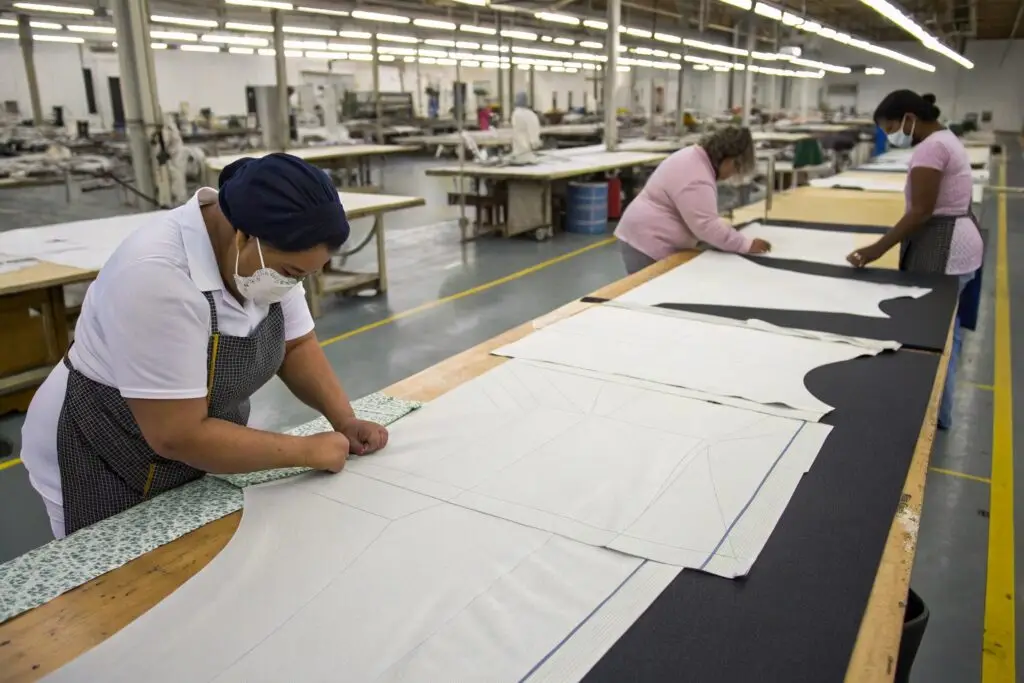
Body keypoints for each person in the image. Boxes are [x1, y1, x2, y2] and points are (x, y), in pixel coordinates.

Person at [21, 153, 389, 539]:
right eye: (292, 274)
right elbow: (177, 435)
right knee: (120, 583)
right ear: (244, 236)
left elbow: (296, 346)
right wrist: (305, 451)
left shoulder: (269, 258)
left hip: (192, 442)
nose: (293, 285)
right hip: (101, 446)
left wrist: (344, 420)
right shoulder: (156, 277)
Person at [847, 91, 983, 429]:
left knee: (934, 338)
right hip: (959, 242)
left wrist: (876, 249)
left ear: (910, 118)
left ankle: (935, 415)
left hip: (944, 247)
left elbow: (921, 211)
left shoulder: (931, 148)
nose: (891, 134)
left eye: (892, 126)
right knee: (948, 332)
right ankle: (942, 412)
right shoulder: (944, 138)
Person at [614, 126, 771, 274]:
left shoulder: (694, 157)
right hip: (647, 242)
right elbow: (706, 226)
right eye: (736, 168)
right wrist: (745, 244)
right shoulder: (697, 177)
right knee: (647, 293)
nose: (732, 174)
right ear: (729, 160)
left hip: (644, 234)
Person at [510, 92, 542, 163]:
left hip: (521, 150)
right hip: (529, 149)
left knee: (521, 154)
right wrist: (534, 141)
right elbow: (535, 130)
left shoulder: (516, 113)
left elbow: (516, 130)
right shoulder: (531, 114)